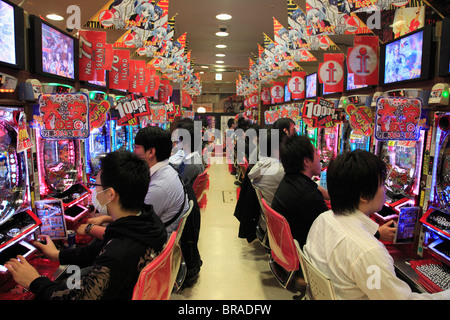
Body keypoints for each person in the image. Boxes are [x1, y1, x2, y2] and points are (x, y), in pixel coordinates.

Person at [5, 151, 167, 300]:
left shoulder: (119, 251)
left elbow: (82, 298)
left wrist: (34, 281)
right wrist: (57, 255)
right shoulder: (146, 221)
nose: (94, 192)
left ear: (110, 194)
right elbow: (96, 250)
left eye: (96, 187)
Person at [303, 150, 450, 299]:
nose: (386, 189)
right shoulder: (369, 252)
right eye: (382, 184)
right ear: (364, 196)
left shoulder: (322, 220)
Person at [271, 135, 329, 248]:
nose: (320, 158)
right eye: (316, 154)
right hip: (304, 253)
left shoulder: (289, 179)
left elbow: (313, 189)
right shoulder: (309, 196)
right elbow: (329, 230)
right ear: (306, 161)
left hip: (285, 248)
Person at [248, 129, 284, 206]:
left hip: (267, 213)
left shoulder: (263, 163)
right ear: (276, 149)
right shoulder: (279, 170)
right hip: (278, 212)